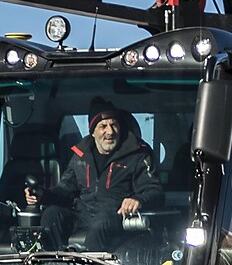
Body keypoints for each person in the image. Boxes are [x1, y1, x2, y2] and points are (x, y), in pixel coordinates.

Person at [23, 100, 163, 255]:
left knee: (102, 221)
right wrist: (44, 195)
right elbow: (65, 191)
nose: (110, 132)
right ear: (92, 131)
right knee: (52, 214)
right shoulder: (80, 156)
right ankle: (52, 264)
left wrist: (138, 200)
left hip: (115, 216)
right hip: (83, 214)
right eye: (103, 126)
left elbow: (154, 191)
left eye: (114, 125)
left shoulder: (138, 154)